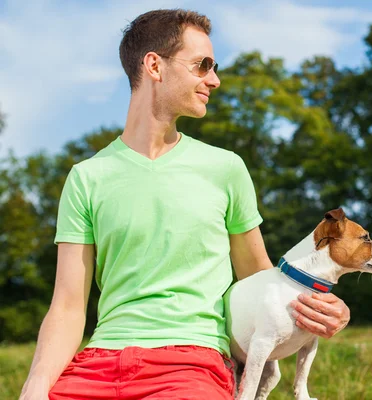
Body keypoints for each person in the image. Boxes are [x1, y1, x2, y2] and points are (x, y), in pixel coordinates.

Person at [19, 9, 350, 400]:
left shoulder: (225, 168)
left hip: (191, 365)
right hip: (96, 362)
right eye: (202, 65)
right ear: (155, 66)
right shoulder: (87, 177)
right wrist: (35, 388)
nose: (214, 79)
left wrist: (326, 311)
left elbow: (260, 283)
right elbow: (68, 308)